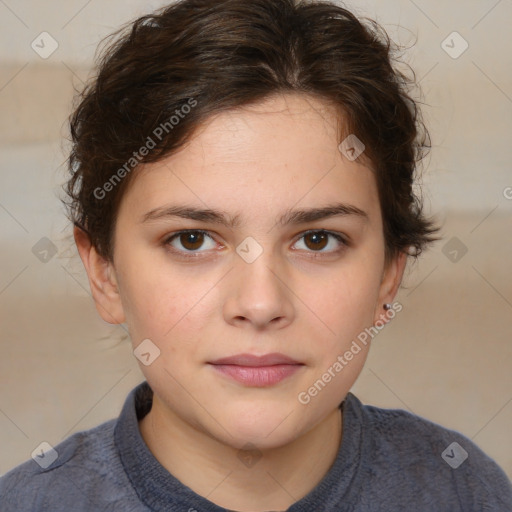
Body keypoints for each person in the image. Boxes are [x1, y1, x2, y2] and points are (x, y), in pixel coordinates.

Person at [1, 0, 511, 510]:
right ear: (105, 273)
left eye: (318, 239)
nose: (261, 303)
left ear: (388, 275)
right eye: (192, 239)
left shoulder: (465, 490)